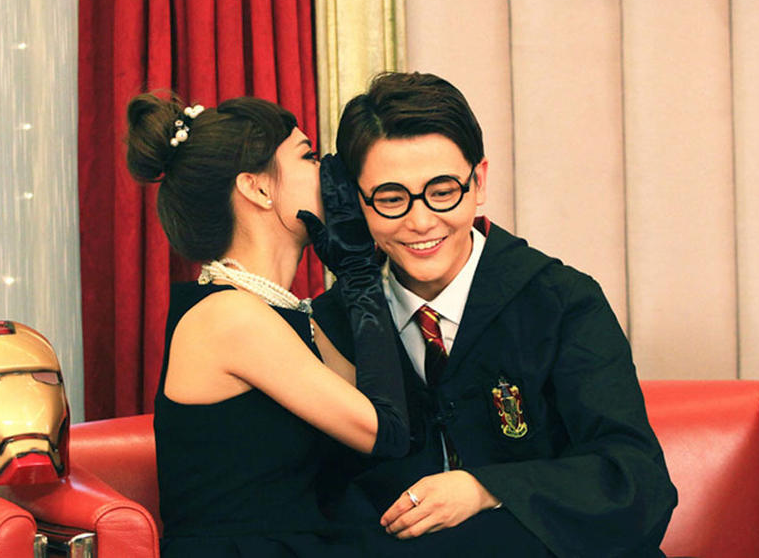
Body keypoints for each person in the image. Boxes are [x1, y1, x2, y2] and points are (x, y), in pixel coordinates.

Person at [310, 72, 679, 557]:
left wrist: (486, 488)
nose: (420, 221)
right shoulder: (332, 324)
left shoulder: (562, 302)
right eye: (391, 199)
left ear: (479, 181)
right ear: (357, 200)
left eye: (443, 191)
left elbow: (635, 481)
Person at [125, 93, 411, 557]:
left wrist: (358, 272)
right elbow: (386, 433)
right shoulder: (231, 318)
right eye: (309, 156)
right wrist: (358, 273)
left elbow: (392, 415)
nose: (329, 171)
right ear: (258, 189)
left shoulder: (282, 314)